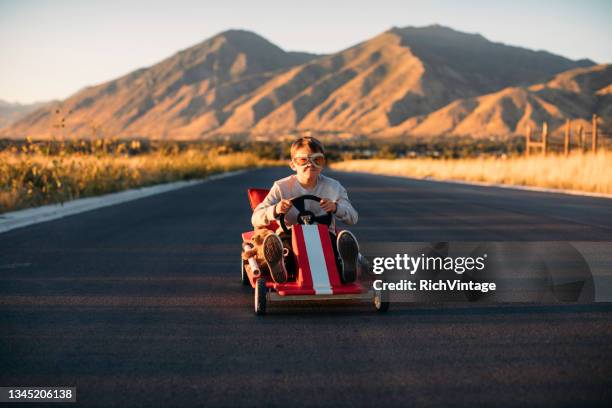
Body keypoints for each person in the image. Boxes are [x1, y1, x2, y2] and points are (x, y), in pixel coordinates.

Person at [250, 136, 360, 284]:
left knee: (331, 252)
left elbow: (353, 217)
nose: (311, 164)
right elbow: (256, 217)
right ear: (293, 165)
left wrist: (336, 207)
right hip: (289, 234)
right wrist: (275, 209)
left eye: (317, 160)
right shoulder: (281, 187)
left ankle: (345, 266)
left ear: (323, 164)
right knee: (287, 251)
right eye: (303, 160)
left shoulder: (333, 187)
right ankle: (281, 266)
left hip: (324, 235)